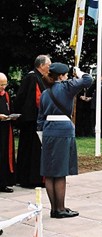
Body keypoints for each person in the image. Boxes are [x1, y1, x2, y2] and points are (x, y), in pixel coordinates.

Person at [37, 63, 92, 218]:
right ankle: (60, 209)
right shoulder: (67, 87)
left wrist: (42, 137)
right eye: (67, 75)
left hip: (47, 131)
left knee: (49, 173)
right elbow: (88, 80)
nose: (68, 77)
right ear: (61, 76)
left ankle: (54, 209)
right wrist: (79, 72)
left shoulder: (45, 93)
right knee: (60, 172)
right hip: (63, 130)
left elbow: (40, 119)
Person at [14, 55, 52, 188]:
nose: (49, 68)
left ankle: (31, 178)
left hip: (33, 120)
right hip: (32, 121)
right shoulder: (32, 77)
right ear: (41, 65)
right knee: (32, 151)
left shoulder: (38, 77)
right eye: (48, 65)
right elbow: (38, 100)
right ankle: (31, 179)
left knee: (32, 150)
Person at [0, 73, 17, 192]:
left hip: (5, 129)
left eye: (5, 84)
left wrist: (11, 116)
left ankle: (3, 182)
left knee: (4, 155)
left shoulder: (5, 95)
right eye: (1, 85)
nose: (3, 87)